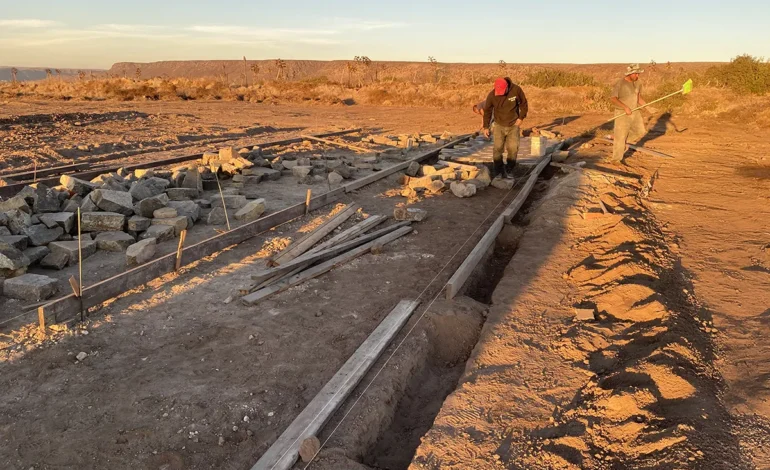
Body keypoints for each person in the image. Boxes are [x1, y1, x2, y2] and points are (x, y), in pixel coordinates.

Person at [482, 77, 528, 179]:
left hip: (514, 125)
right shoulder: (492, 95)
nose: (500, 94)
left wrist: (521, 118)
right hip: (499, 125)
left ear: (507, 87)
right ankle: (498, 172)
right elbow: (487, 111)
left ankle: (509, 170)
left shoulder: (516, 90)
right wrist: (485, 127)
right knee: (498, 149)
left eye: (502, 91)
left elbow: (524, 104)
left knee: (513, 149)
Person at [610, 64, 647, 162]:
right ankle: (616, 160)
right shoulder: (620, 83)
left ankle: (620, 139)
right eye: (636, 74)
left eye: (638, 74)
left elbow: (638, 97)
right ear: (630, 74)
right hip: (622, 112)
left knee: (640, 131)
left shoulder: (638, 83)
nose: (637, 76)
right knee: (620, 137)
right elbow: (613, 98)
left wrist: (647, 106)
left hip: (635, 111)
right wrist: (625, 107)